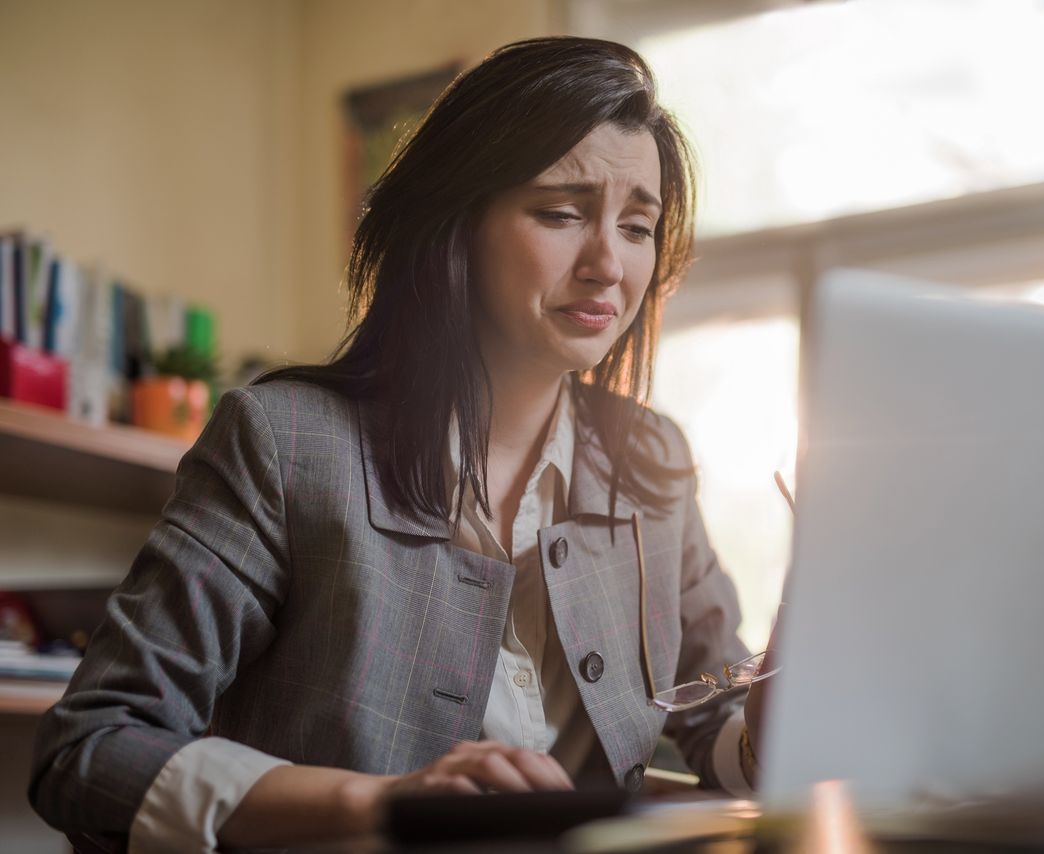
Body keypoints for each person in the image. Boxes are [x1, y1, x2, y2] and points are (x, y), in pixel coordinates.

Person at [28, 36, 767, 852]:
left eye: (638, 226)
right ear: (456, 223)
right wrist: (376, 806)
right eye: (560, 212)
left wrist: (777, 711)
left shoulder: (651, 460)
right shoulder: (287, 443)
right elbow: (90, 747)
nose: (607, 263)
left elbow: (715, 718)